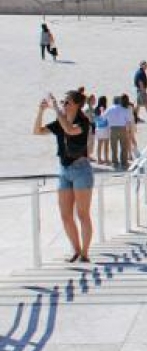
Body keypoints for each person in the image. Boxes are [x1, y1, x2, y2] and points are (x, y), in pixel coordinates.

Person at [33, 89, 94, 263]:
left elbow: (69, 129)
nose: (63, 105)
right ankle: (76, 250)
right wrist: (41, 111)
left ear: (76, 104)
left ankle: (85, 253)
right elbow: (37, 131)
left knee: (82, 214)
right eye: (62, 102)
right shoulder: (60, 121)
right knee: (65, 215)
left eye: (66, 102)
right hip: (64, 170)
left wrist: (56, 110)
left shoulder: (84, 122)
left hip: (81, 169)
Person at [104, 95, 132, 169]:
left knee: (114, 147)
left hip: (112, 129)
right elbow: (128, 121)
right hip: (122, 128)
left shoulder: (109, 108)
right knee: (124, 146)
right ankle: (124, 162)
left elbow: (104, 117)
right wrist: (129, 131)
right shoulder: (124, 109)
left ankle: (114, 162)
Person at [93, 96, 110, 165]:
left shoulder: (96, 109)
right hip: (105, 128)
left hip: (98, 128)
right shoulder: (105, 109)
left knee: (99, 144)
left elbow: (95, 119)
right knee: (106, 145)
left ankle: (99, 159)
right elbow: (105, 119)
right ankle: (106, 159)